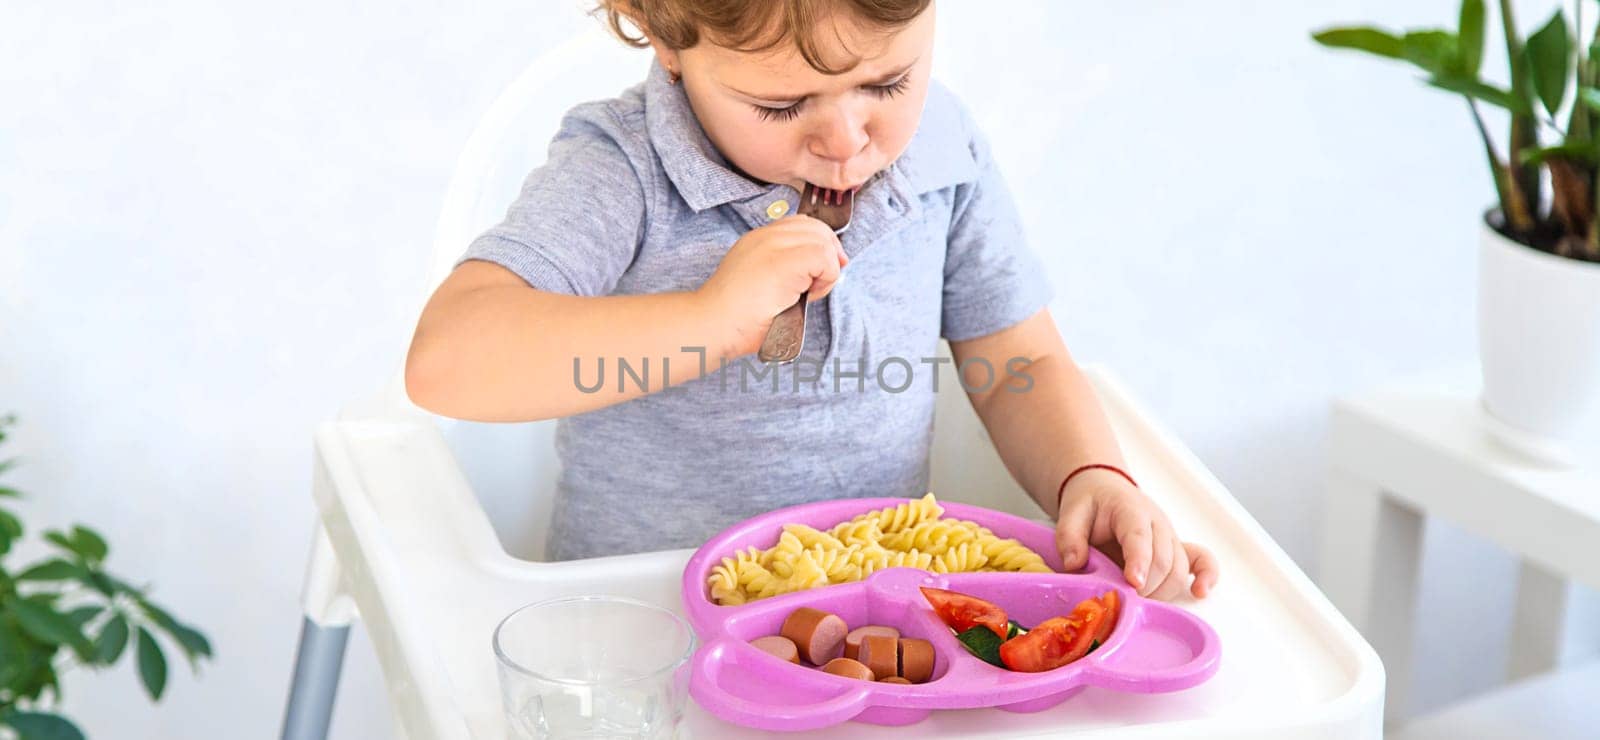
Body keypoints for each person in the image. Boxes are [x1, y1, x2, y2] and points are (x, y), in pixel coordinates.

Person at [406, 0, 1218, 601]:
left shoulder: (942, 150)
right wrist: (706, 323)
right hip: (642, 619)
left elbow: (1019, 359)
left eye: (888, 82)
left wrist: (1089, 475)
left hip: (887, 608)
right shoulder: (622, 170)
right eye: (782, 105)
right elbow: (449, 362)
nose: (846, 140)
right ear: (662, 37)